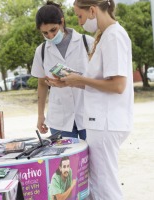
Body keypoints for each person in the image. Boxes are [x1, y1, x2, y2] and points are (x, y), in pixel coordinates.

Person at [59, 0, 134, 199]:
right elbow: (99, 82)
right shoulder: (105, 36)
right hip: (100, 122)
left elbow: (117, 85)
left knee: (105, 187)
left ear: (92, 10)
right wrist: (71, 82)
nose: (78, 21)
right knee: (97, 185)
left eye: (79, 15)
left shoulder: (114, 36)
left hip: (106, 123)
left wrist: (81, 79)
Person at [31, 1, 94, 139]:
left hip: (88, 114)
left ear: (62, 22)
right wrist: (40, 115)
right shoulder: (41, 51)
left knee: (93, 159)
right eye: (45, 33)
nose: (50, 36)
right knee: (65, 161)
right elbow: (42, 84)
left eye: (53, 30)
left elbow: (98, 79)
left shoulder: (87, 42)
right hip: (59, 119)